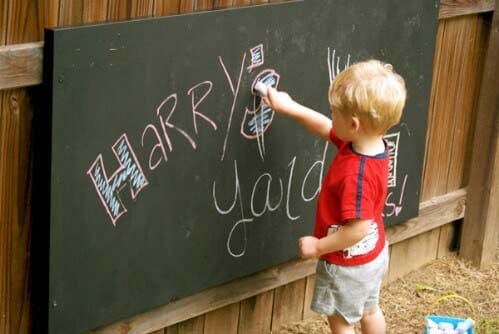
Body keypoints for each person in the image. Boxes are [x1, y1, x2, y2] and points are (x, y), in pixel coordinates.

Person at [262, 60, 406, 334]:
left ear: (353, 124)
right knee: (370, 310)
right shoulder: (372, 144)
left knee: (341, 322)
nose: (331, 116)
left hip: (348, 265)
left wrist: (318, 247)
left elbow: (358, 229)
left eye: (334, 112)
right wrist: (289, 106)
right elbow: (326, 126)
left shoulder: (356, 174)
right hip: (374, 256)